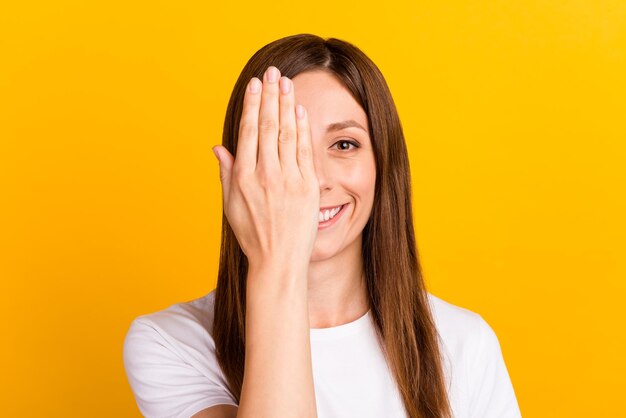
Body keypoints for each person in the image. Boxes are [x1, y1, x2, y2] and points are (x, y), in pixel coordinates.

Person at [123, 33, 522, 418]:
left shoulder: (465, 344)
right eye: (283, 146)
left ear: (384, 165)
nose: (311, 181)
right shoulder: (170, 343)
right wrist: (277, 260)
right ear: (239, 171)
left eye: (344, 144)